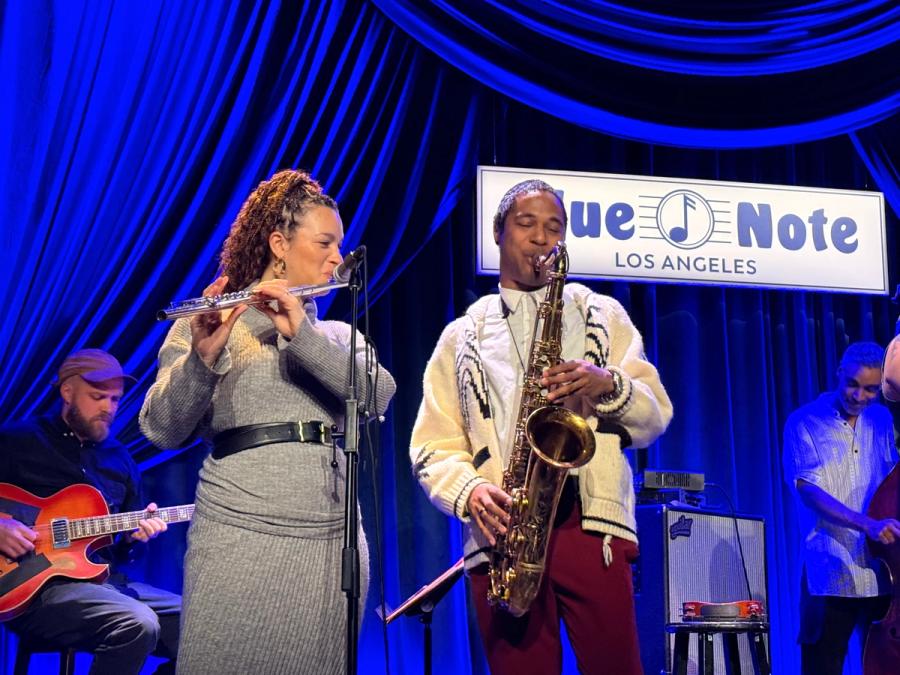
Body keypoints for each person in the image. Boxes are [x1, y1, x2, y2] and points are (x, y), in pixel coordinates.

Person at [409, 179, 673, 674]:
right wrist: (469, 493)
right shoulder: (461, 336)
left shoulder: (602, 314)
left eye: (554, 228)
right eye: (526, 224)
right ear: (498, 232)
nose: (540, 238)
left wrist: (607, 384)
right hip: (504, 533)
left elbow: (655, 415)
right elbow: (432, 443)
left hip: (591, 527)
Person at [139, 168, 396, 674]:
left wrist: (303, 334)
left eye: (340, 244)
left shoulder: (338, 336)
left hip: (330, 540)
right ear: (280, 243)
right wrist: (201, 359)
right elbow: (160, 428)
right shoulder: (211, 322)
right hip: (239, 533)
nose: (336, 258)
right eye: (324, 242)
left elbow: (378, 393)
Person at [0, 348, 180, 675]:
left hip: (105, 584)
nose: (107, 408)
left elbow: (123, 549)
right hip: (34, 590)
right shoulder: (17, 441)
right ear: (67, 392)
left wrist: (135, 537)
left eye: (114, 400)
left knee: (202, 629)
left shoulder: (119, 458)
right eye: (98, 397)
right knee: (137, 622)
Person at [783, 341, 900, 675]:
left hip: (883, 572)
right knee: (823, 667)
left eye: (870, 389)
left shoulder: (881, 421)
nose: (858, 396)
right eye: (852, 384)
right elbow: (809, 491)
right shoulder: (804, 422)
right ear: (838, 374)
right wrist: (868, 525)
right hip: (829, 570)